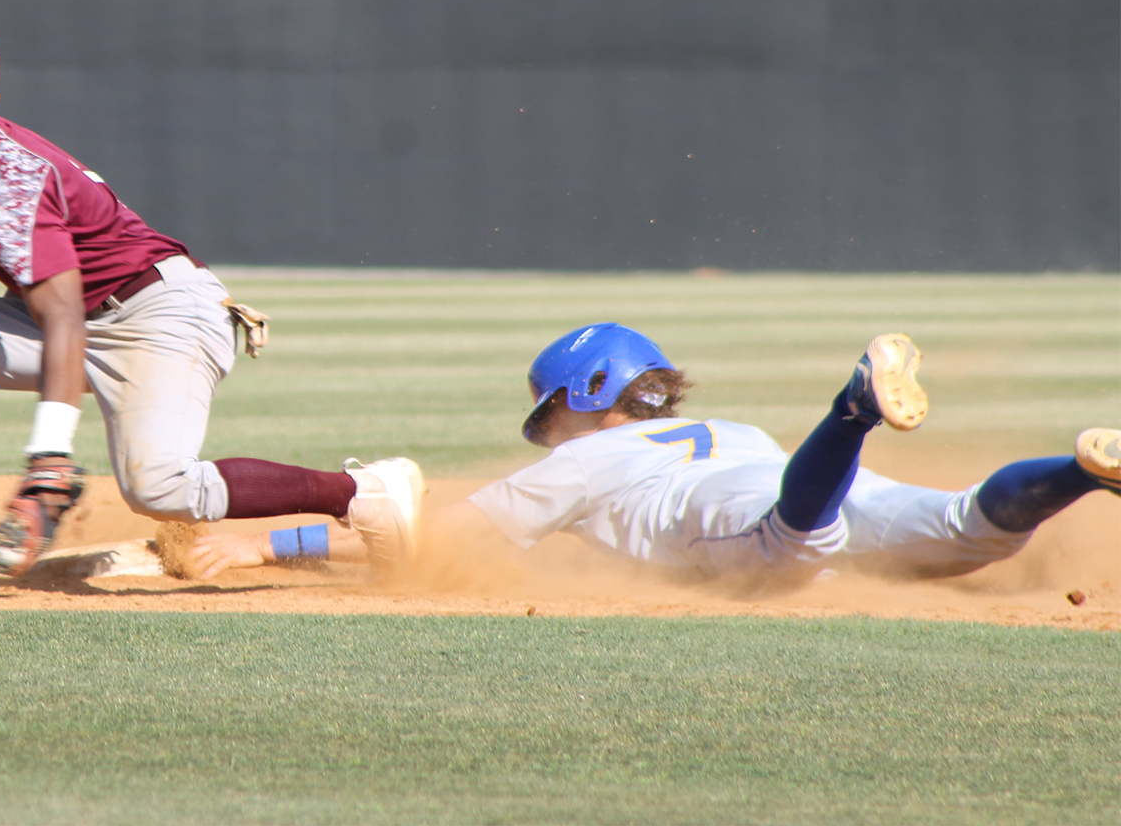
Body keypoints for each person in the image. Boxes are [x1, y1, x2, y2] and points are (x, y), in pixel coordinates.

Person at [0, 16, 423, 591]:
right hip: (91, 313)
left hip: (158, 316)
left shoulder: (7, 178)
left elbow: (63, 315)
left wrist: (49, 460)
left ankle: (363, 493)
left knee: (160, 486)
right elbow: (40, 284)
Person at [186, 323, 1121, 586]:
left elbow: (422, 539)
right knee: (967, 529)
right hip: (768, 473)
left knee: (794, 549)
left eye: (551, 408)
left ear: (589, 398)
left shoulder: (581, 463)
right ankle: (1083, 470)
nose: (545, 427)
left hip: (730, 520)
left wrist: (273, 547)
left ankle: (851, 409)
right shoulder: (725, 427)